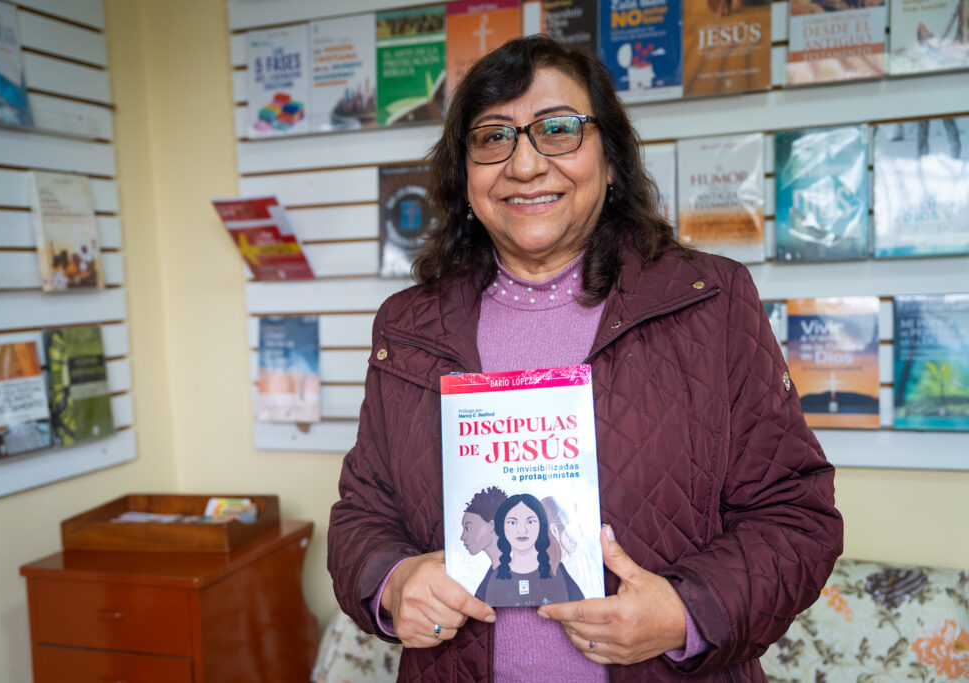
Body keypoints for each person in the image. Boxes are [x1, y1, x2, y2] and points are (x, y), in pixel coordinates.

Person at [328, 35, 842, 681]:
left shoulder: (711, 303)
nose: (524, 165)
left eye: (558, 129)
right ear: (464, 177)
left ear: (612, 160)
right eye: (493, 138)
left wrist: (687, 612)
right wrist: (392, 580)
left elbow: (798, 516)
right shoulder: (407, 326)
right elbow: (360, 517)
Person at [477, 493, 585, 607]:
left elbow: (581, 608)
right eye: (512, 522)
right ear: (502, 528)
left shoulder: (557, 570)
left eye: (530, 521)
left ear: (541, 527)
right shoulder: (494, 574)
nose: (522, 530)